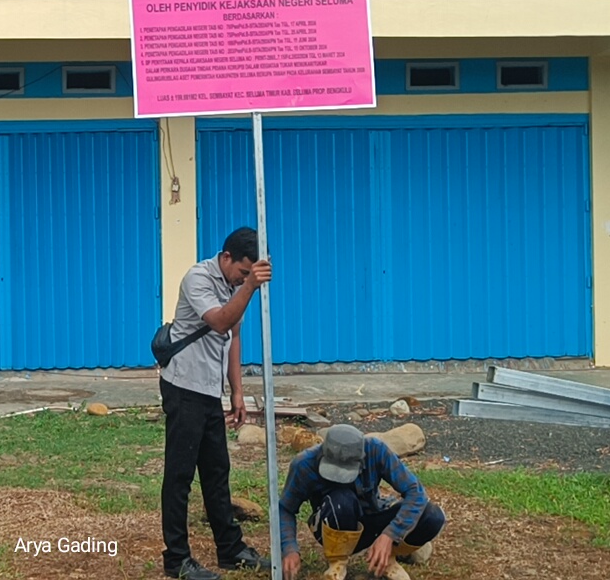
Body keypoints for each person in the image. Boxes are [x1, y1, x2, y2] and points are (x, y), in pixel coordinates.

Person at [160, 226, 273, 580]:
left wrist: (236, 392)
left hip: (209, 390)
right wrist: (251, 286)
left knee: (216, 472)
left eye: (247, 275)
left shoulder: (232, 285)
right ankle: (177, 558)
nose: (243, 279)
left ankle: (230, 548)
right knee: (180, 475)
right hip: (183, 386)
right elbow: (222, 322)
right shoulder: (198, 279)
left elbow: (234, 336)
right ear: (226, 258)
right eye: (241, 272)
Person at [278, 424, 446, 580]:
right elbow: (285, 508)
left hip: (372, 517)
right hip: (334, 521)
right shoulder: (304, 464)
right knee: (341, 498)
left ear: (361, 459)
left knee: (433, 516)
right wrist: (289, 549)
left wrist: (390, 535)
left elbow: (416, 492)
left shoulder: (376, 450)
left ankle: (386, 558)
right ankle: (338, 562)